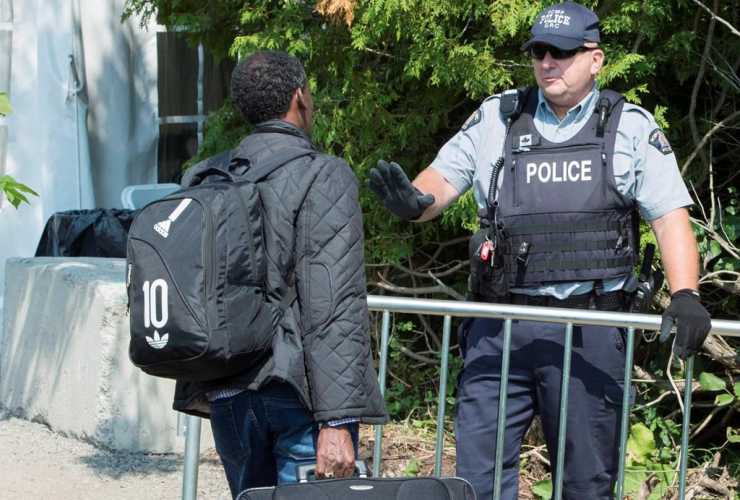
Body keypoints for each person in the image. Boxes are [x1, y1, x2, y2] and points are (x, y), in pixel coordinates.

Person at [366, 3, 712, 499]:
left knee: (586, 486)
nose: (547, 62)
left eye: (562, 53)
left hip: (588, 331)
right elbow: (440, 183)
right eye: (539, 52)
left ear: (595, 59)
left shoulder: (629, 126)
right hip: (499, 327)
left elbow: (669, 217)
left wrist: (685, 293)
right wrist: (414, 202)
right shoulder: (499, 116)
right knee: (476, 485)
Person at [173, 50, 388, 499]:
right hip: (299, 396)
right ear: (299, 97)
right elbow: (333, 304)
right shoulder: (322, 175)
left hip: (227, 391)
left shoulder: (207, 177)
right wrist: (336, 421)